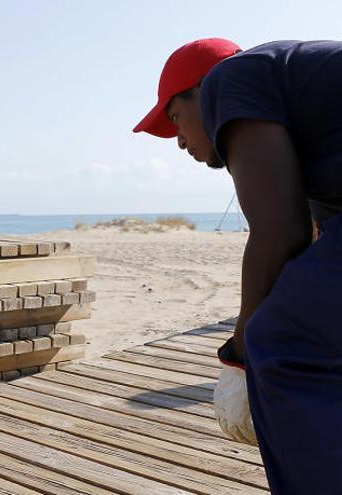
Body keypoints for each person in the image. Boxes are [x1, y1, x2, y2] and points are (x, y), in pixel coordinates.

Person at [134, 38, 342, 494]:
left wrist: (242, 349)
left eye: (175, 119)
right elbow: (307, 242)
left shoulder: (231, 79)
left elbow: (280, 232)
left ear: (201, 90)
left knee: (282, 342)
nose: (181, 141)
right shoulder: (317, 137)